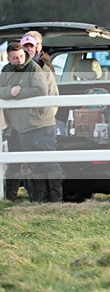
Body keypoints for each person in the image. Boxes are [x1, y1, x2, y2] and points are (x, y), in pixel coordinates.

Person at [0, 42, 63, 202]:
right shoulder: (6, 70)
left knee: (49, 163)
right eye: (15, 57)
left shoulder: (34, 68)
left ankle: (56, 199)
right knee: (34, 164)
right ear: (8, 58)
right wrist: (9, 92)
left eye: (21, 56)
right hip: (21, 127)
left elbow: (41, 90)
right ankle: (39, 200)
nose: (19, 60)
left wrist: (17, 93)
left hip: (40, 123)